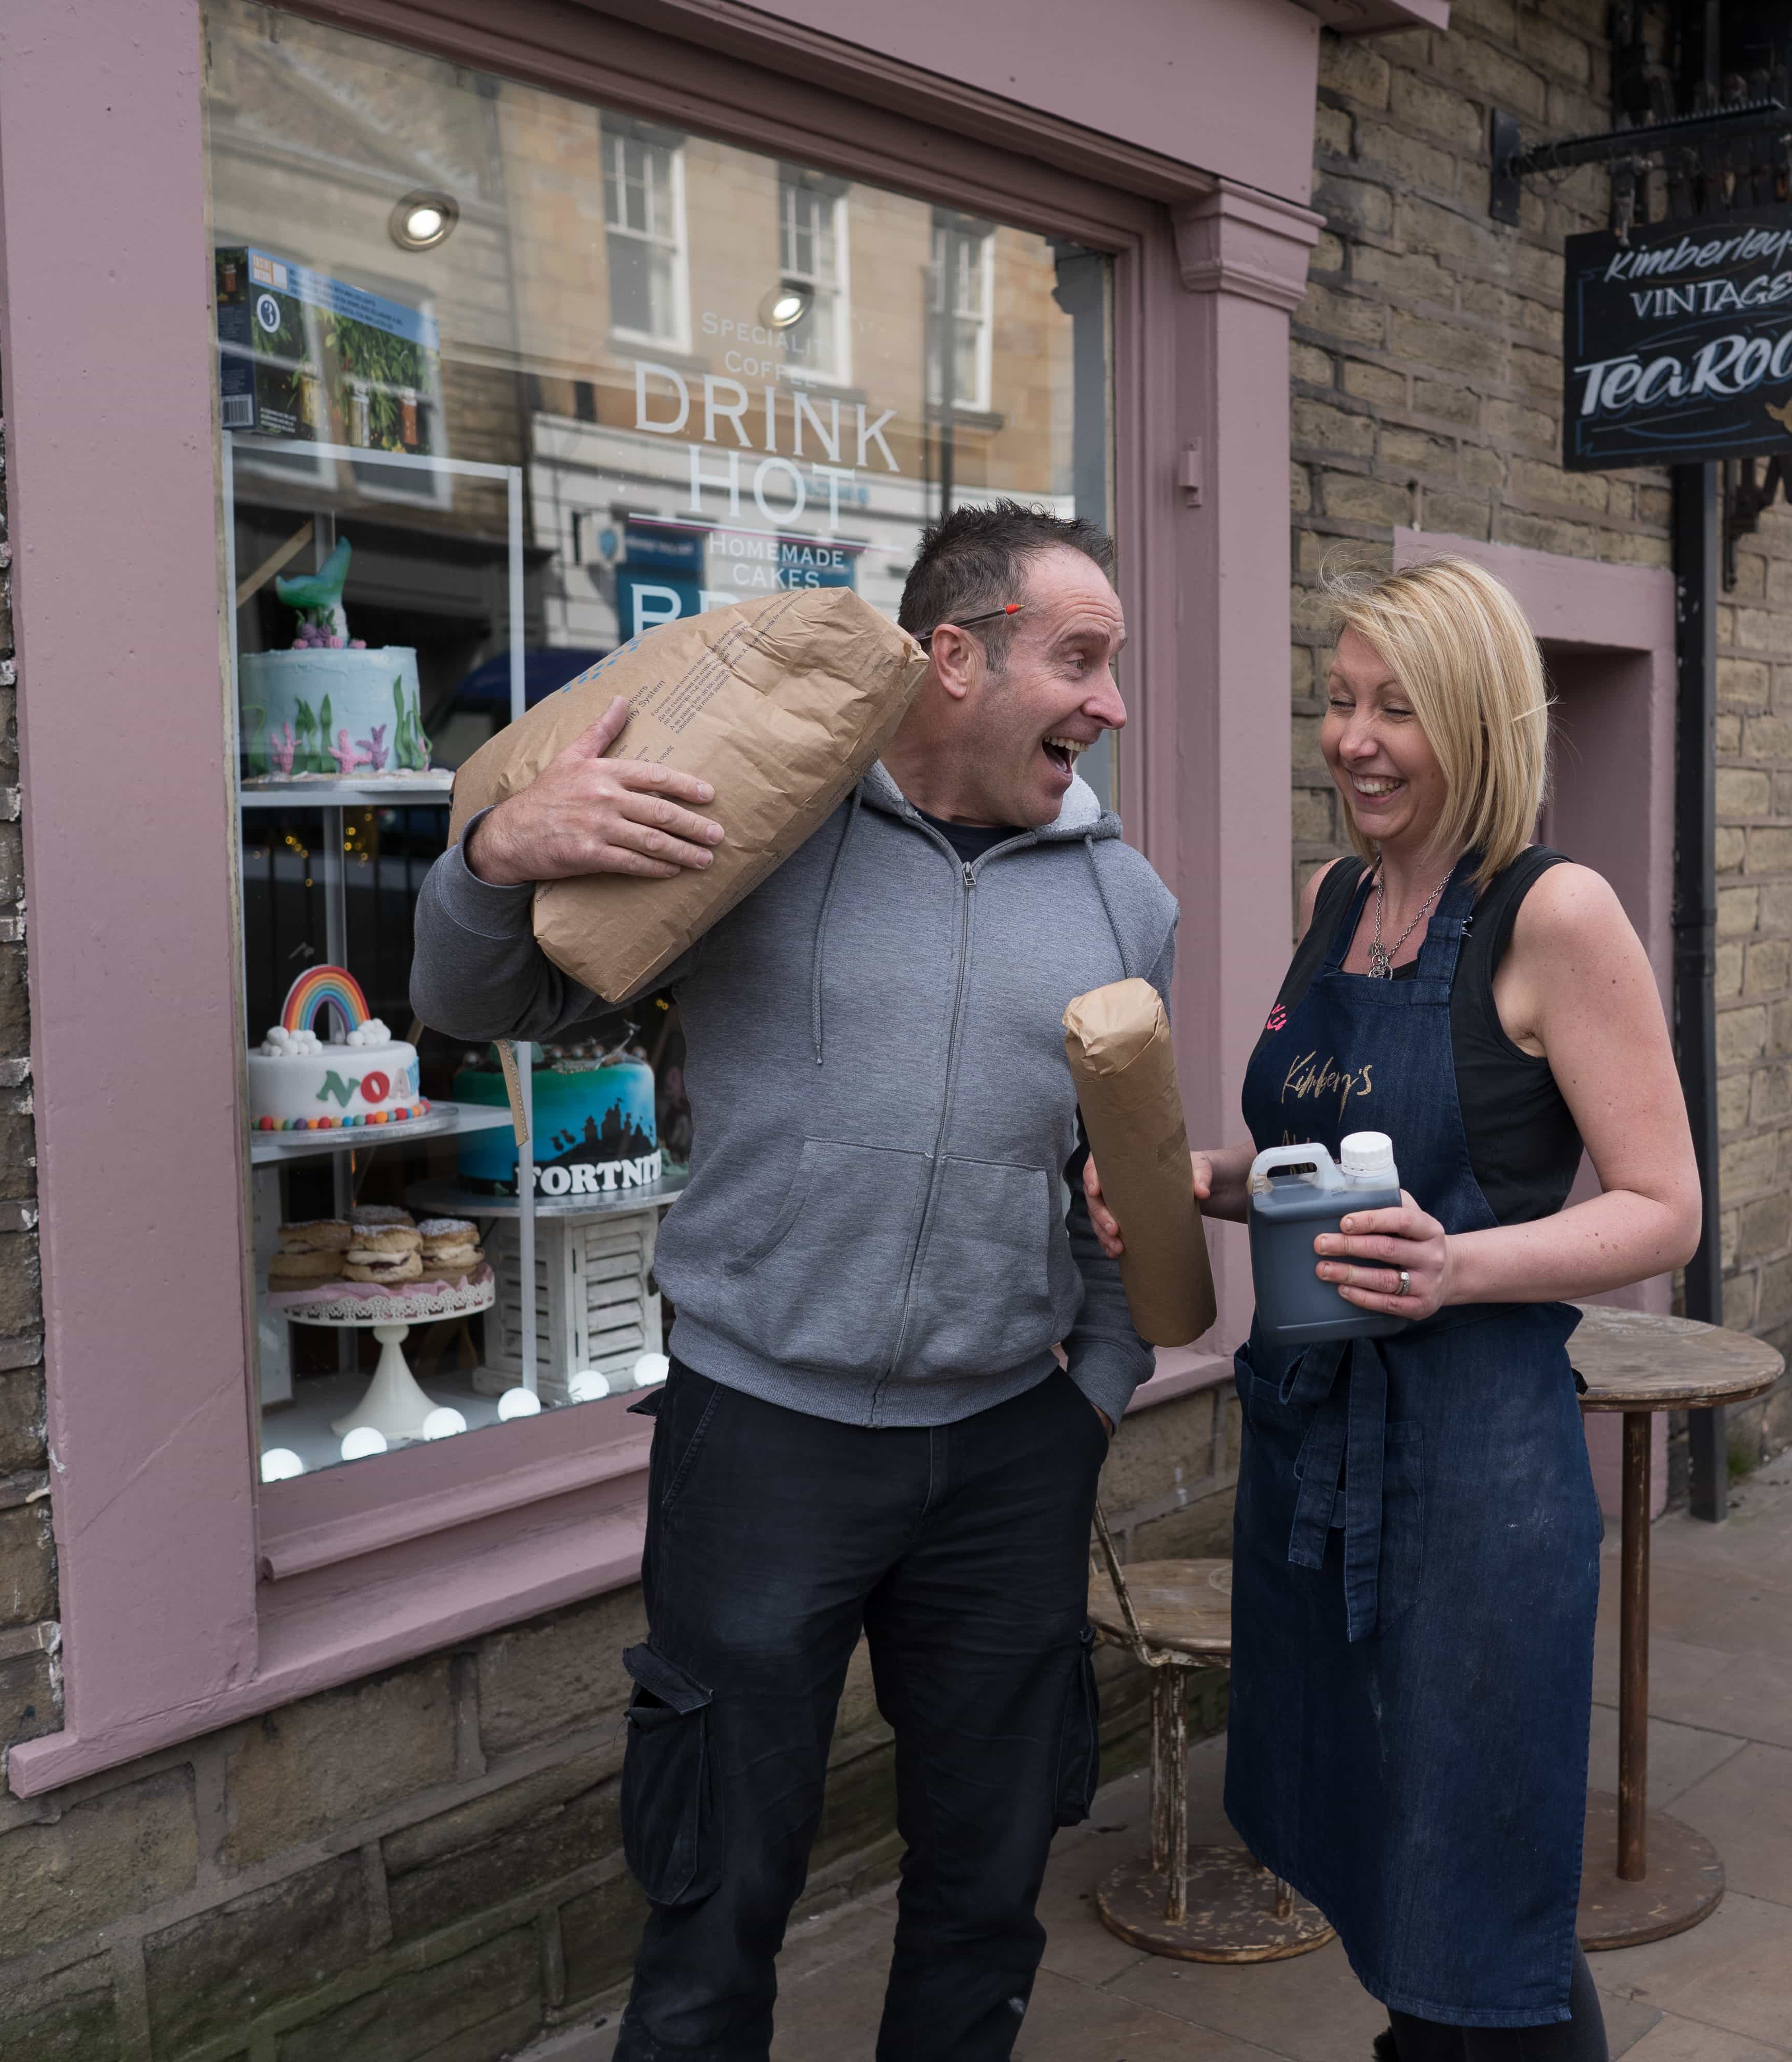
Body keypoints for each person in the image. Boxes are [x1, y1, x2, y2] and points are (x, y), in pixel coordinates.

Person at [410, 502, 1177, 2062]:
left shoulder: (1125, 900)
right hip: (762, 1439)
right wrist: (497, 856)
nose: (1110, 705)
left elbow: (1126, 1157)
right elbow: (469, 997)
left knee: (988, 1882)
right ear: (952, 659)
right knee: (716, 1892)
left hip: (1008, 1453)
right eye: (1080, 661)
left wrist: (1095, 1388)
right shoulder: (752, 831)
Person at [1087, 559, 1702, 2061]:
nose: (1353, 738)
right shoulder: (1338, 899)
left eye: (1398, 710)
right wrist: (1200, 1186)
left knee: (1483, 1897)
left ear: (1482, 724)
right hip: (1310, 1456)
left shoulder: (1556, 915)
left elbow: (1665, 1205)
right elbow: (1324, 1165)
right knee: (1380, 1856)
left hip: (1478, 1472)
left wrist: (1458, 1267)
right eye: (1340, 700)